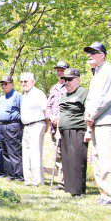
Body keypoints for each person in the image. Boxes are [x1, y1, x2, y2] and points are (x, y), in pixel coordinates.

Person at [83, 42, 111, 205]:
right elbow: (92, 99)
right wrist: (88, 115)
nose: (89, 55)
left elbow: (106, 98)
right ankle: (104, 193)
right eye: (88, 52)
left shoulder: (109, 71)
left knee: (107, 159)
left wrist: (92, 115)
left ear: (102, 55)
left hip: (107, 121)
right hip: (97, 121)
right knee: (98, 159)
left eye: (93, 52)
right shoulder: (97, 73)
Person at [58, 68, 89, 198]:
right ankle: (70, 189)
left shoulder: (83, 92)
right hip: (64, 131)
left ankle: (78, 191)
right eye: (65, 80)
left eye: (70, 79)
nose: (67, 82)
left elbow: (88, 112)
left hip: (77, 130)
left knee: (77, 160)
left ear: (77, 80)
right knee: (67, 160)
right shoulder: (64, 95)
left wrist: (89, 131)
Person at [20, 72, 49, 186]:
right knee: (26, 154)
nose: (23, 84)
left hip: (37, 125)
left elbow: (46, 111)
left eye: (26, 81)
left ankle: (38, 181)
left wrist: (46, 126)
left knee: (35, 153)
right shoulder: (24, 96)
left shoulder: (38, 93)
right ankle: (29, 180)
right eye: (21, 82)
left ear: (33, 82)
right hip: (26, 126)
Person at [47, 61, 69, 189]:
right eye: (58, 70)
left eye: (62, 70)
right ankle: (61, 182)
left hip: (65, 125)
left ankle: (66, 181)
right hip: (54, 126)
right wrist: (51, 117)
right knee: (58, 154)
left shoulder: (70, 86)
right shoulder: (53, 88)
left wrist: (60, 118)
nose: (59, 72)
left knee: (66, 152)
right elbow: (48, 105)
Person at [0, 75, 23, 182]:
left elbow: (23, 111)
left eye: (6, 83)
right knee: (5, 151)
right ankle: (11, 174)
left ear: (12, 84)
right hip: (2, 126)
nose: (4, 86)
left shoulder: (18, 96)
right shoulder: (2, 98)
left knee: (14, 151)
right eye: (2, 84)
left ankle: (19, 175)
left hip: (13, 125)